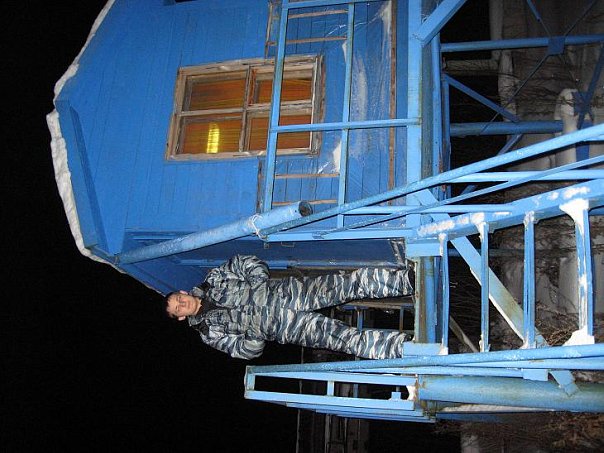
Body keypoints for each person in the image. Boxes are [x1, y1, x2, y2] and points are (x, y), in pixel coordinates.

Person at [165, 254, 413, 360]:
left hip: (293, 293)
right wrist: (255, 332)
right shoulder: (209, 333)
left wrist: (258, 282)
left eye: (178, 299)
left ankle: (405, 281)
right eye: (178, 309)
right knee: (348, 340)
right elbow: (245, 352)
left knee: (349, 284)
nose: (182, 304)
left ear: (183, 293)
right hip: (290, 328)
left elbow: (244, 262)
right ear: (181, 317)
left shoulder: (214, 279)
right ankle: (403, 348)